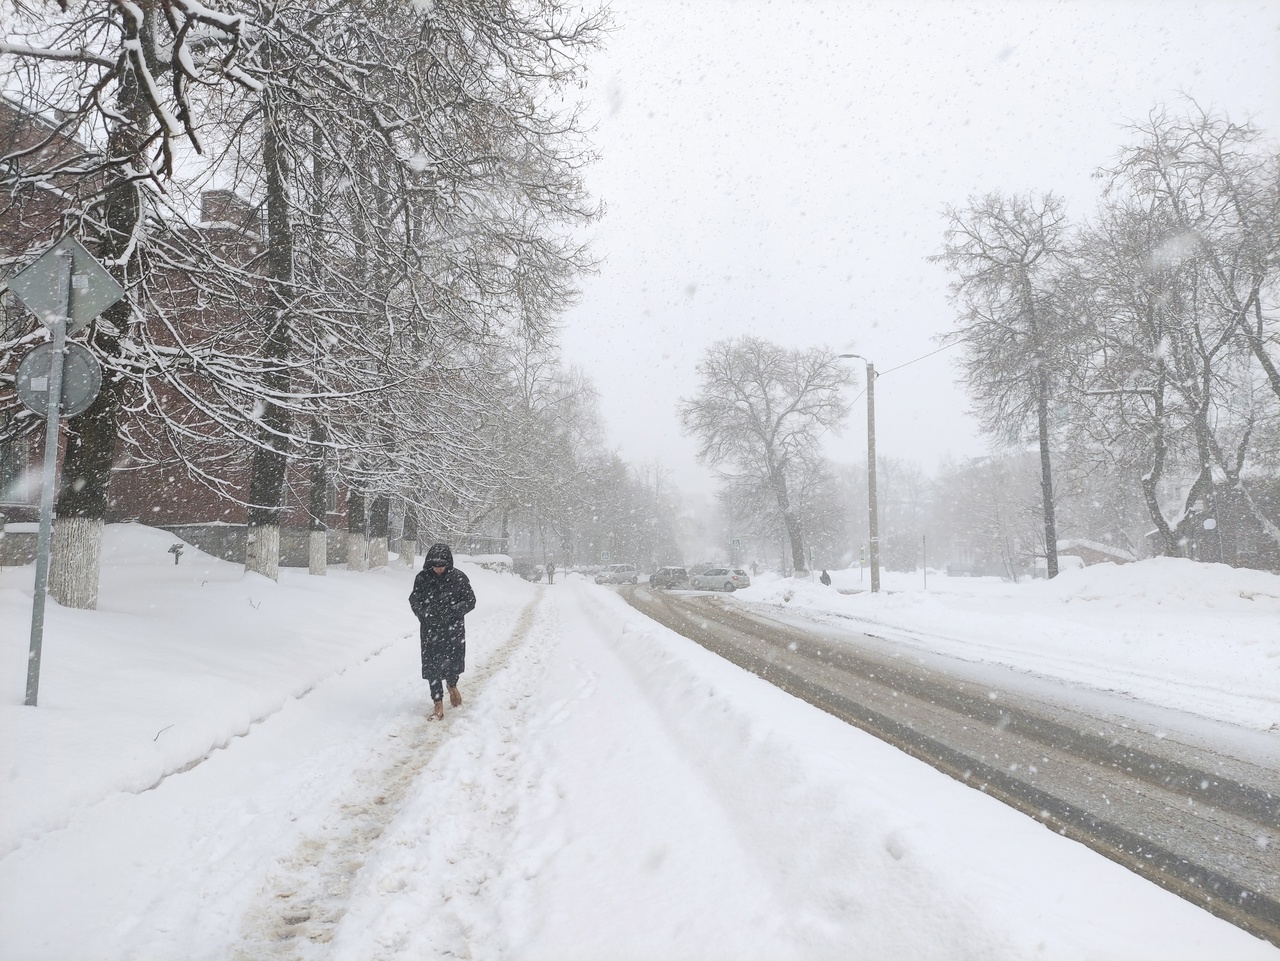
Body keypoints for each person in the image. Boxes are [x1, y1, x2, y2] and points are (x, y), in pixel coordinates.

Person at [409, 543, 476, 720]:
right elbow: (414, 600)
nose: (438, 570)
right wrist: (424, 614)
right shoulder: (422, 578)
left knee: (452, 664)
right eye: (435, 566)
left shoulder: (459, 578)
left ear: (448, 564)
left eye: (442, 566)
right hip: (431, 631)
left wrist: (453, 611)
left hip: (453, 631)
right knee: (432, 668)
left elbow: (470, 601)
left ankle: (452, 685)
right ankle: (437, 703)